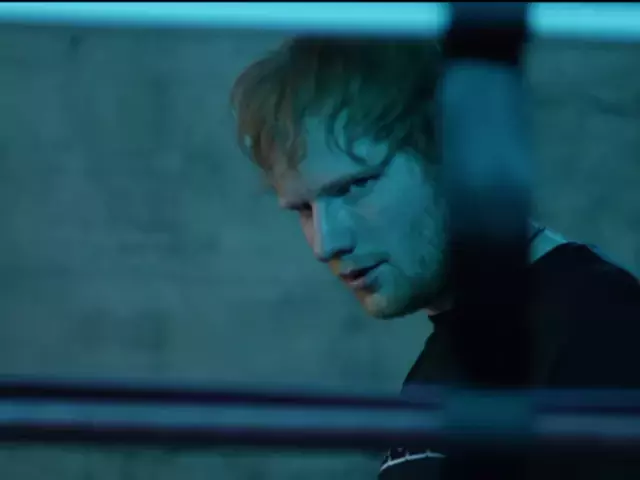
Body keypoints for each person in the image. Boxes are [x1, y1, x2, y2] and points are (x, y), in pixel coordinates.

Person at [229, 37, 640, 479]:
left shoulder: (598, 325)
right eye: (304, 210)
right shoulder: (448, 362)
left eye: (355, 186)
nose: (325, 244)